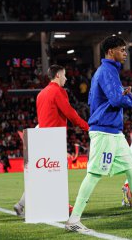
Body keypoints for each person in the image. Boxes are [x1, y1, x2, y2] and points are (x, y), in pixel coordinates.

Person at [65, 36, 132, 232]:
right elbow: (117, 101)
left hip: (114, 132)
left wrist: (123, 95)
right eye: (122, 49)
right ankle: (74, 220)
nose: (125, 53)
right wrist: (130, 98)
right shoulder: (107, 71)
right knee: (94, 174)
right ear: (110, 51)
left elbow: (105, 99)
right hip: (105, 132)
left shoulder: (106, 72)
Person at [13, 64, 89, 218]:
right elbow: (70, 113)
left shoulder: (41, 94)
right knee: (56, 173)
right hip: (53, 137)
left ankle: (20, 204)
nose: (66, 78)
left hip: (40, 135)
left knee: (41, 175)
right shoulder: (58, 91)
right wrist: (87, 127)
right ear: (57, 76)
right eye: (64, 75)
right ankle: (62, 205)